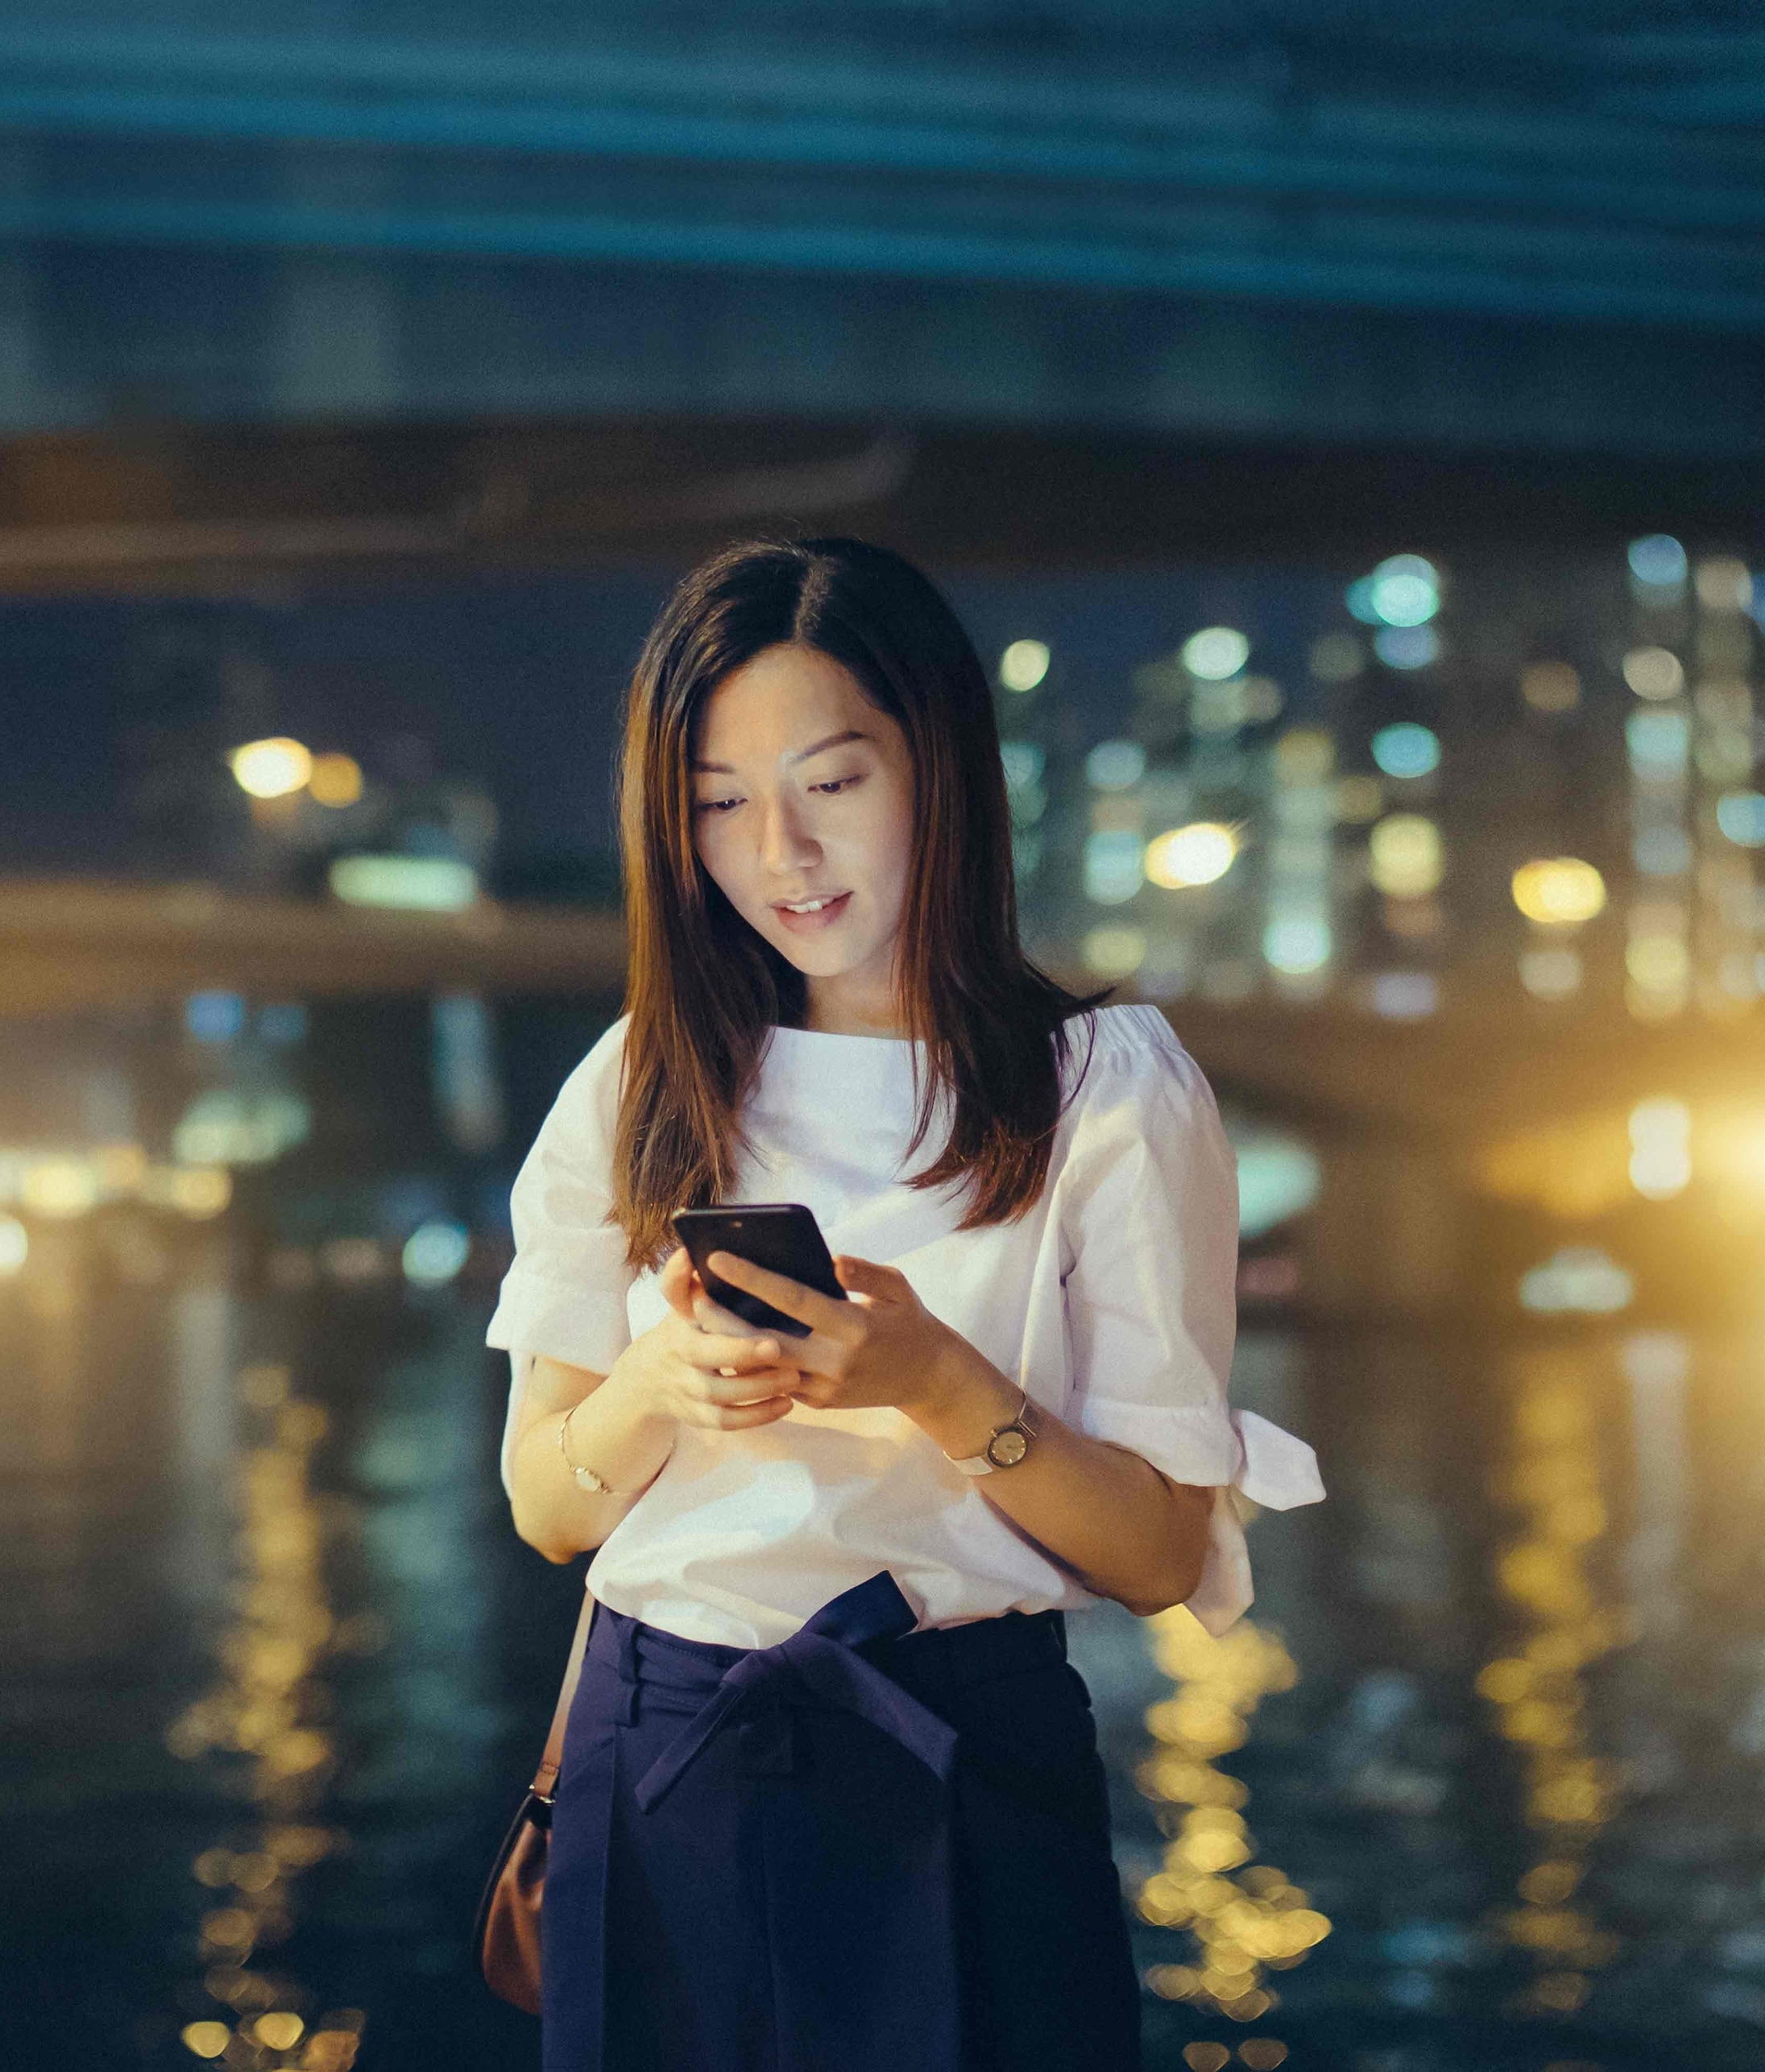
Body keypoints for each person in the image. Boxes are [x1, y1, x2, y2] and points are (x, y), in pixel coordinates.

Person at [486, 536, 1324, 2071]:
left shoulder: (1103, 1086)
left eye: (832, 781)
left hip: (961, 1750)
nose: (784, 852)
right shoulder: (638, 1079)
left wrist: (939, 1380)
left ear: (942, 765)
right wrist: (660, 1380)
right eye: (720, 803)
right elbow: (548, 1506)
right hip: (657, 1743)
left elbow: (1157, 1554)